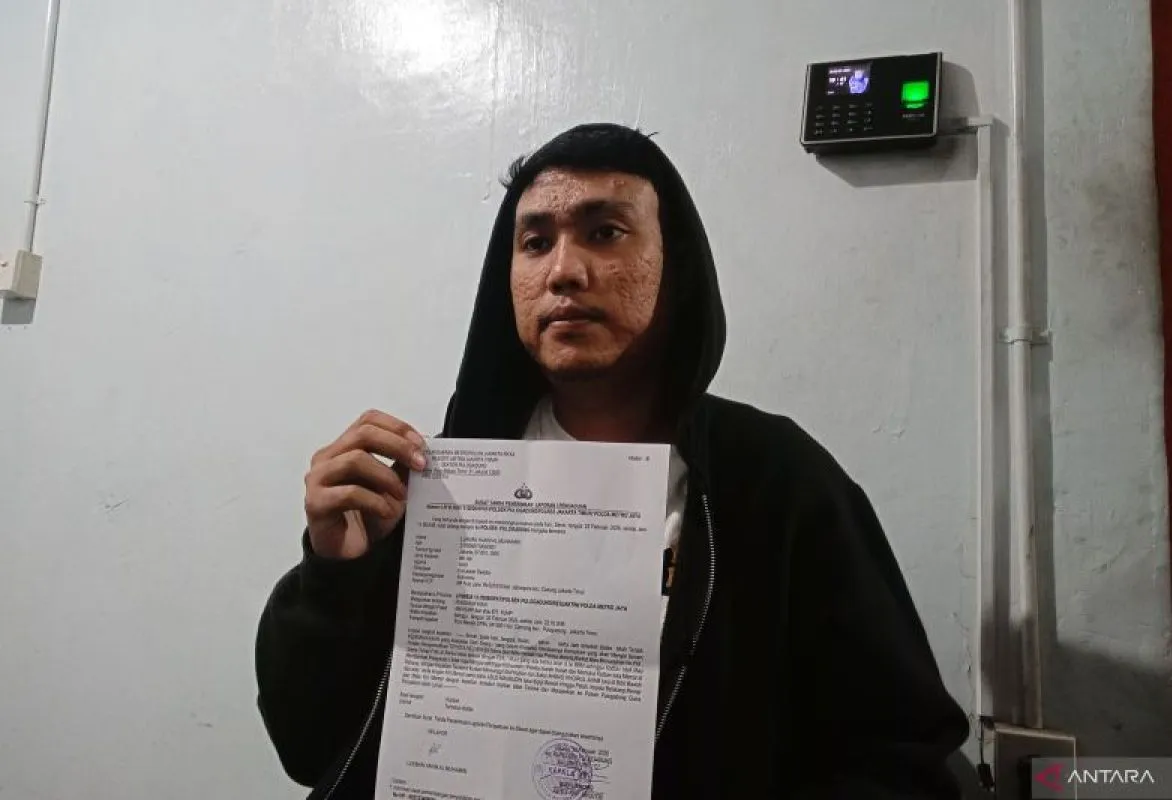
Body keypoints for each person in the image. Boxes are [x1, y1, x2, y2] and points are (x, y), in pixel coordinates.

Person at [256, 123, 969, 799]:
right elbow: (310, 746)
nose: (564, 271)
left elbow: (899, 758)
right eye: (535, 242)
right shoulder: (439, 492)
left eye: (605, 232)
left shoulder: (775, 483)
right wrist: (335, 576)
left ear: (676, 265)